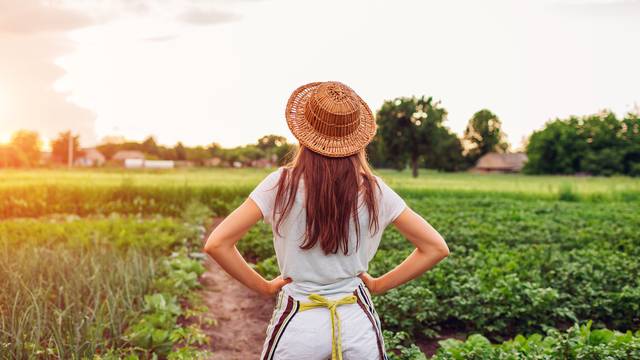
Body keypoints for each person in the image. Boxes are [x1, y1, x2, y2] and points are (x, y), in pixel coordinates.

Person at [203, 81, 450, 360]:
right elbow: (435, 247)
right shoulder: (375, 189)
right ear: (357, 139)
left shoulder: (280, 183)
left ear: (303, 134)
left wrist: (264, 286)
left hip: (299, 321)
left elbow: (217, 243)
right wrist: (380, 284)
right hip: (356, 321)